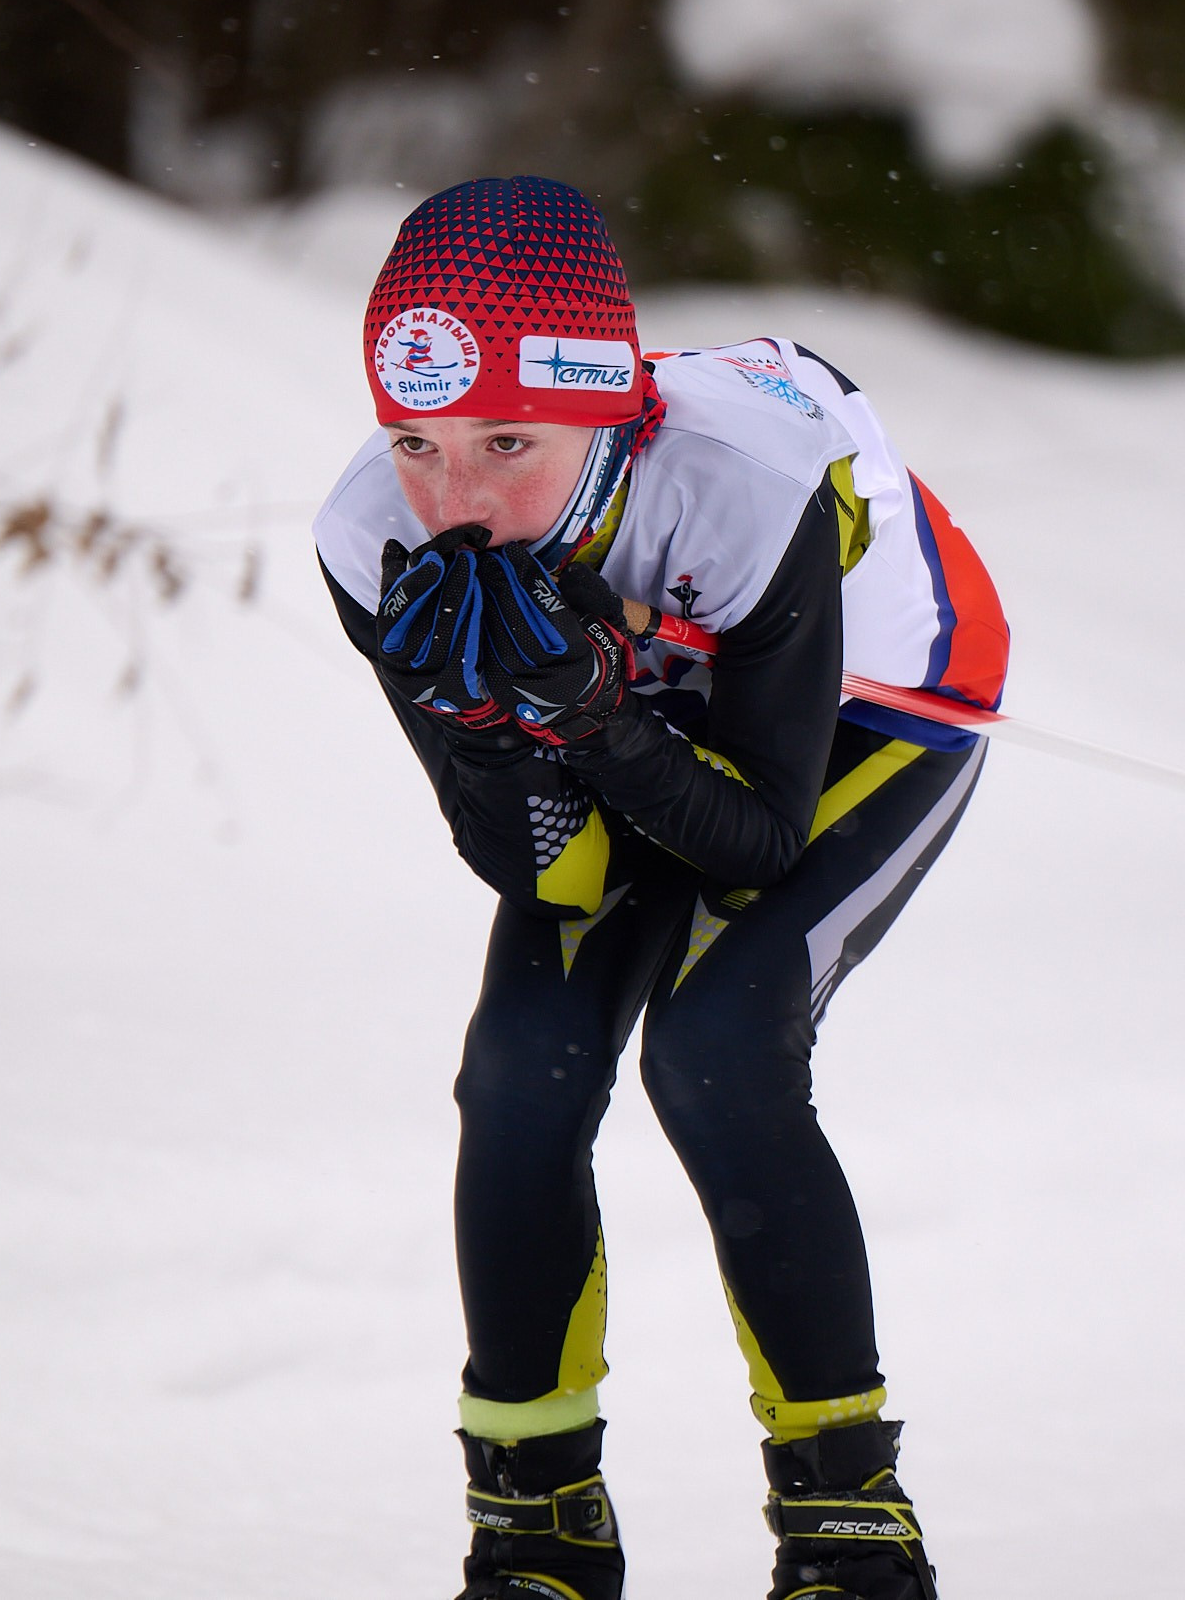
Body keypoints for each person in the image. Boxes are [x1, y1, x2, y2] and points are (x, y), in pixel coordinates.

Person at [312, 176, 1007, 1600]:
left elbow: (753, 841)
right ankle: (536, 1523)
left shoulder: (742, 484)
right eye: (418, 443)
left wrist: (588, 712)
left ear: (606, 408)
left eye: (508, 441)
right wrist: (501, 730)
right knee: (517, 1079)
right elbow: (533, 866)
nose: (459, 500)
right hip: (646, 718)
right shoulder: (367, 534)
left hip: (876, 711)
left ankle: (848, 1521)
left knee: (718, 1050)